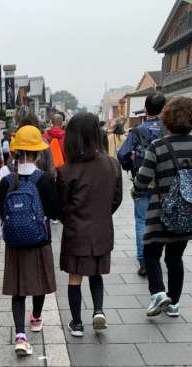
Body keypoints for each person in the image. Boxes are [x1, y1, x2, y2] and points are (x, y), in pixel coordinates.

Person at [57, 113, 123, 337]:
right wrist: (101, 214)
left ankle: (76, 323)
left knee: (74, 277)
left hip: (76, 231)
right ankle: (98, 311)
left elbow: (61, 205)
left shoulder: (66, 170)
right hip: (102, 230)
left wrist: (71, 219)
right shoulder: (112, 164)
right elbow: (116, 199)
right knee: (96, 273)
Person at [0, 125, 60, 355]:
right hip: (39, 241)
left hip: (14, 242)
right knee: (38, 282)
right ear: (38, 152)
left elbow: (3, 214)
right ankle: (35, 318)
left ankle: (20, 336)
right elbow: (54, 212)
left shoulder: (7, 180)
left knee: (18, 289)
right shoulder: (44, 179)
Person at [133, 96, 192, 318]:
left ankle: (158, 293)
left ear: (167, 119)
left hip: (160, 211)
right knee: (175, 258)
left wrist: (136, 190)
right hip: (187, 213)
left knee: (151, 253)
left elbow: (143, 178)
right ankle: (173, 304)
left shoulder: (158, 146)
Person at [118, 93, 167, 276]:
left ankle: (144, 261)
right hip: (165, 183)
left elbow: (122, 154)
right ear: (163, 109)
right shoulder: (168, 129)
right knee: (162, 219)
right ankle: (157, 257)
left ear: (146, 109)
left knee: (141, 221)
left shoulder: (137, 131)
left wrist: (130, 167)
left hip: (142, 181)